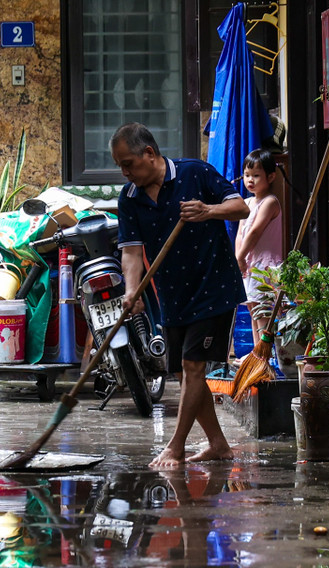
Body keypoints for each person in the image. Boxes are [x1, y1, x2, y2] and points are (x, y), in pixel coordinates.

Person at [109, 122, 249, 468]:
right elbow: (130, 252)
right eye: (120, 166)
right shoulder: (129, 198)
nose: (125, 172)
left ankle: (176, 446)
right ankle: (218, 443)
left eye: (129, 164)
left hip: (213, 286)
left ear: (150, 154)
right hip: (171, 293)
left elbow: (241, 207)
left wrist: (207, 211)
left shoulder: (195, 173)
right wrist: (131, 292)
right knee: (182, 373)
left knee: (192, 365)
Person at [234, 148, 283, 348]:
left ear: (270, 177)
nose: (250, 180)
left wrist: (240, 258)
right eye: (247, 175)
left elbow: (254, 232)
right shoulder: (246, 203)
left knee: (263, 312)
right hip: (250, 264)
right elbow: (240, 234)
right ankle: (257, 354)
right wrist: (240, 258)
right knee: (254, 310)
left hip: (265, 266)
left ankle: (265, 355)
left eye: (256, 175)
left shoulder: (270, 202)